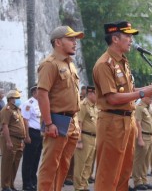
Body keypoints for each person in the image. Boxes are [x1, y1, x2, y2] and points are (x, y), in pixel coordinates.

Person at [92, 21, 152, 190]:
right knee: (109, 173)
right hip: (112, 122)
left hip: (127, 121)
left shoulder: (123, 62)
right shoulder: (104, 64)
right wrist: (143, 93)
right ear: (115, 38)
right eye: (127, 36)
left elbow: (129, 91)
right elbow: (113, 98)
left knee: (124, 172)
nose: (131, 40)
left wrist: (150, 88)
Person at [37, 25, 84, 190]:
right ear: (58, 42)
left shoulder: (70, 64)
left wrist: (76, 123)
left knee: (63, 166)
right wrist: (49, 123)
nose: (75, 42)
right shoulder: (49, 64)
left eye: (75, 39)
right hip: (57, 121)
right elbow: (42, 94)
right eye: (70, 39)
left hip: (71, 121)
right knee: (50, 166)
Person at [73, 86, 98, 191]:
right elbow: (79, 123)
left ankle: (84, 186)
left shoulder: (94, 106)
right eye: (97, 94)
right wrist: (79, 140)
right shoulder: (83, 105)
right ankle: (78, 187)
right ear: (91, 94)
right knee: (80, 164)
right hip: (85, 137)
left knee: (88, 165)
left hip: (93, 138)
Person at [0, 89, 25, 191]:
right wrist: (8, 141)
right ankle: (5, 185)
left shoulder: (17, 110)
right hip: (11, 138)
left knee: (15, 163)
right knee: (7, 162)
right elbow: (5, 126)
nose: (19, 100)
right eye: (17, 98)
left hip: (19, 140)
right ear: (11, 99)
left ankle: (11, 184)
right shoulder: (7, 110)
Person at [132, 93, 152, 190]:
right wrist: (140, 138)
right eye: (150, 97)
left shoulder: (149, 107)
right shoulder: (139, 107)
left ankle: (144, 180)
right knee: (139, 160)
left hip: (150, 136)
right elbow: (138, 123)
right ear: (144, 97)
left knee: (146, 161)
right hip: (143, 136)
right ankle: (137, 181)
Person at [21, 86, 43, 191]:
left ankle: (33, 181)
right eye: (40, 91)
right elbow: (25, 120)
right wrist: (26, 135)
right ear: (35, 92)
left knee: (36, 159)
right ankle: (26, 183)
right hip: (32, 133)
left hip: (40, 133)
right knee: (28, 159)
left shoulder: (41, 103)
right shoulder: (29, 104)